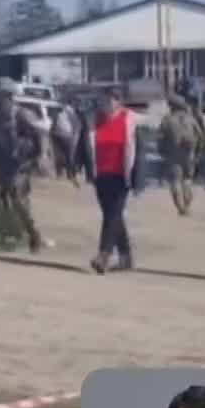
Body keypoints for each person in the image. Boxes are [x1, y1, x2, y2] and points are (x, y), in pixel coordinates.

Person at [0, 78, 47, 252]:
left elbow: (39, 134)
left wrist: (39, 156)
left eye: (3, 97)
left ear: (10, 97)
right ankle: (7, 237)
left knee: (19, 201)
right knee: (2, 202)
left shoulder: (21, 115)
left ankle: (33, 234)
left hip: (19, 165)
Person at [80, 85, 140, 274]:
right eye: (105, 99)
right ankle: (126, 257)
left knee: (112, 215)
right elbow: (84, 147)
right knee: (113, 216)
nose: (107, 103)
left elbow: (139, 151)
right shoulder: (94, 121)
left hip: (122, 175)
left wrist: (137, 178)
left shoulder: (129, 120)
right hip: (101, 175)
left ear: (119, 101)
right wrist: (83, 169)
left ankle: (103, 255)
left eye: (112, 99)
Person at [157, 93, 204, 216]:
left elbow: (160, 138)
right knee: (187, 180)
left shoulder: (167, 120)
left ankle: (181, 208)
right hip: (189, 154)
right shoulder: (190, 118)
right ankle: (187, 205)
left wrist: (161, 151)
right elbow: (200, 136)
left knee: (175, 181)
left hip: (172, 154)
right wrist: (198, 152)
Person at [52, 101, 82, 187]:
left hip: (67, 137)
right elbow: (54, 124)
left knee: (68, 157)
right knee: (60, 156)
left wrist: (75, 138)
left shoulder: (70, 113)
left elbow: (77, 127)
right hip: (59, 136)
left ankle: (69, 174)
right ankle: (60, 173)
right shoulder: (58, 113)